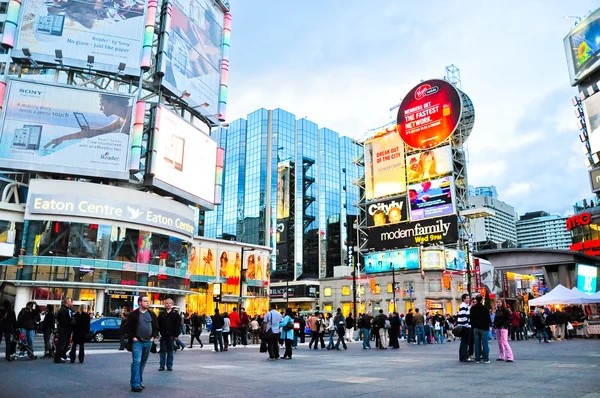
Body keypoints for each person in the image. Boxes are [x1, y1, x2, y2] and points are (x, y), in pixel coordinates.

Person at [43, 94, 133, 149]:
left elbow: (122, 139)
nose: (101, 108)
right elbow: (95, 133)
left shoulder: (132, 112)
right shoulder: (120, 120)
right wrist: (62, 138)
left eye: (102, 104)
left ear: (113, 102)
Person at [125, 296, 158, 392]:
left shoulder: (152, 314)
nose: (147, 303)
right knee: (136, 362)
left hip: (148, 342)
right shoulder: (133, 314)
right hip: (137, 342)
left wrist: (153, 337)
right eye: (145, 301)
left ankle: (138, 381)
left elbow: (156, 327)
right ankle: (135, 384)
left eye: (148, 301)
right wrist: (133, 337)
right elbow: (126, 327)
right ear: (140, 302)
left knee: (142, 363)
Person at [158, 298, 180, 371]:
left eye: (169, 303)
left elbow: (178, 325)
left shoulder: (175, 314)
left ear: (172, 305)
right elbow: (158, 324)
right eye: (167, 303)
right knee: (162, 350)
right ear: (165, 304)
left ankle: (169, 365)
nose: (168, 304)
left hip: (171, 335)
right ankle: (162, 365)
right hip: (163, 334)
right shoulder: (161, 313)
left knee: (170, 350)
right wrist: (158, 333)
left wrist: (176, 335)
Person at [470, 295, 491, 364]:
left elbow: (471, 319)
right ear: (482, 300)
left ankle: (477, 358)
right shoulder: (485, 308)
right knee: (485, 343)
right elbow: (488, 318)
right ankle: (485, 358)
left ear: (476, 300)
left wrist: (473, 326)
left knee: (477, 344)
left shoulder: (473, 308)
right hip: (484, 328)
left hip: (476, 327)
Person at [54, 298, 73, 363]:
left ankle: (63, 355)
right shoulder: (63, 310)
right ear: (67, 302)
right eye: (70, 301)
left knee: (66, 343)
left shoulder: (69, 310)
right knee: (61, 343)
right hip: (63, 329)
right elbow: (64, 320)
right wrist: (71, 322)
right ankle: (58, 357)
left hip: (67, 329)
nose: (71, 303)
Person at [457, 294, 472, 362]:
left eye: (469, 298)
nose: (468, 299)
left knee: (464, 342)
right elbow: (463, 316)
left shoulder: (465, 306)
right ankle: (464, 357)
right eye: (467, 298)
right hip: (465, 326)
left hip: (464, 326)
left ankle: (463, 356)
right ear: (463, 299)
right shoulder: (463, 306)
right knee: (465, 342)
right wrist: (466, 324)